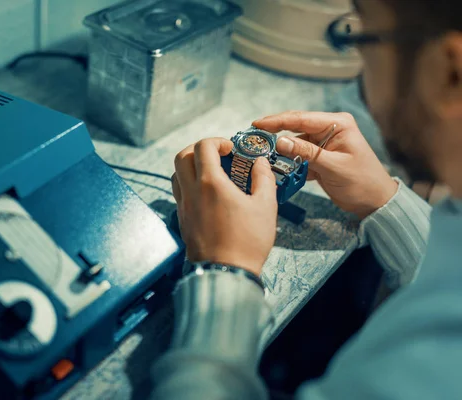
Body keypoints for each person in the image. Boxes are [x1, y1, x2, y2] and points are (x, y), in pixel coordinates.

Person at [150, 0, 462, 398]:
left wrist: (225, 273)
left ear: (450, 72)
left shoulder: (424, 373)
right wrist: (386, 201)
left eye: (362, 38)